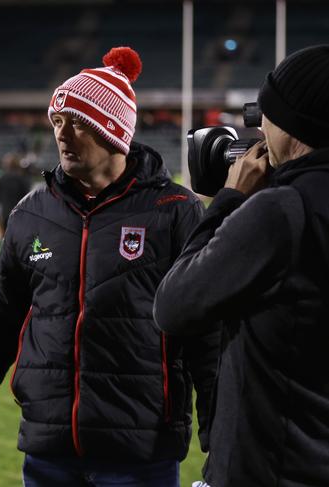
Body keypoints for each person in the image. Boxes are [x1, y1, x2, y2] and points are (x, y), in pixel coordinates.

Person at [0, 47, 219, 487]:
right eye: (57, 122)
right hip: (48, 447)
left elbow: (206, 332)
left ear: (112, 131)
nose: (62, 134)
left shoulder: (174, 210)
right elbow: (1, 315)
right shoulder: (31, 213)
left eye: (78, 123)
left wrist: (217, 432)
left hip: (139, 450)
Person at [153, 45, 329, 487]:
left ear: (295, 127)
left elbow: (174, 306)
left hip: (268, 465)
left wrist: (229, 202)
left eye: (266, 115)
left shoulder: (282, 210)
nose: (260, 129)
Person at [0, 152, 31, 234]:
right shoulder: (22, 179)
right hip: (19, 213)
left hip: (5, 213)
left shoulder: (1, 179)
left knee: (5, 237)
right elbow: (27, 197)